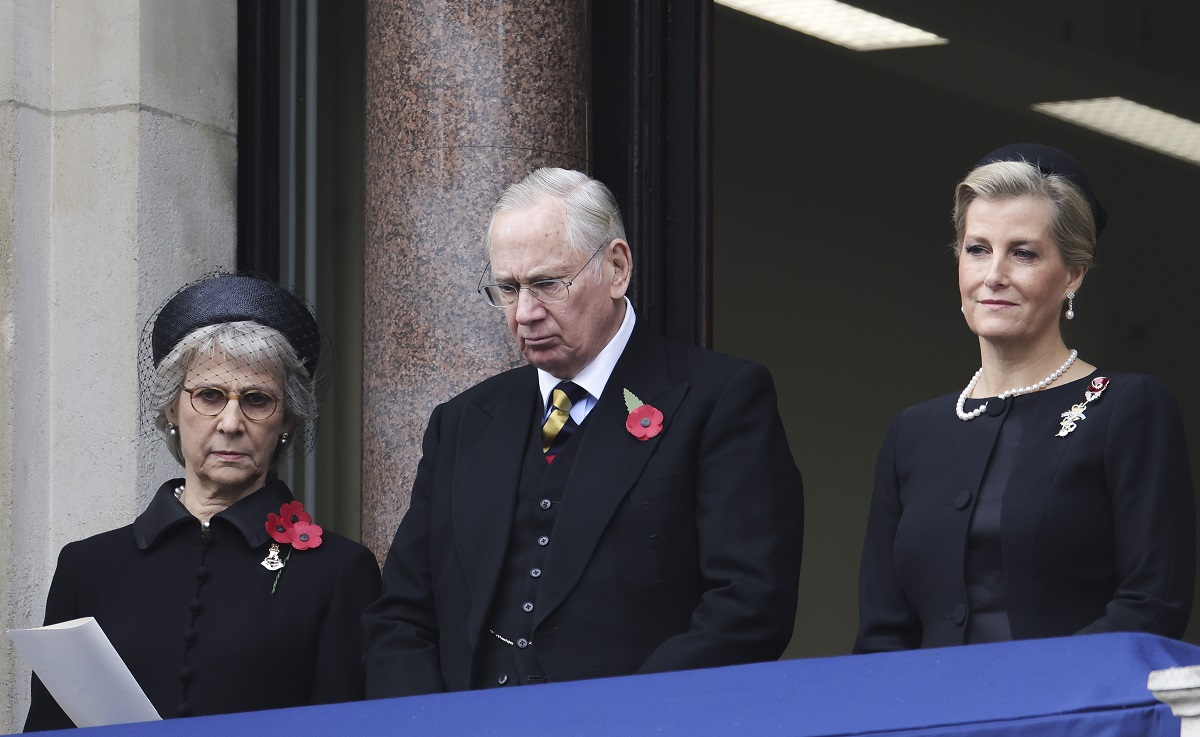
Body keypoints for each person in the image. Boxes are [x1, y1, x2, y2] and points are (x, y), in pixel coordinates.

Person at [363, 168, 804, 696]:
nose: (524, 313)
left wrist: (621, 722)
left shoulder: (721, 398)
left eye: (547, 284)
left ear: (616, 268)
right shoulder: (460, 424)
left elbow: (750, 604)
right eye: (507, 288)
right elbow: (402, 619)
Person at [854, 143, 1195, 653]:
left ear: (1074, 274)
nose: (995, 275)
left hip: (1072, 717)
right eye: (977, 249)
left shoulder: (1128, 407)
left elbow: (1152, 604)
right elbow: (883, 632)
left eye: (1024, 253)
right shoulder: (912, 433)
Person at [24, 274, 381, 730]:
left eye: (257, 400)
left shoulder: (338, 572)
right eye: (209, 396)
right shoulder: (87, 567)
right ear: (173, 407)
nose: (231, 422)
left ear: (287, 418)